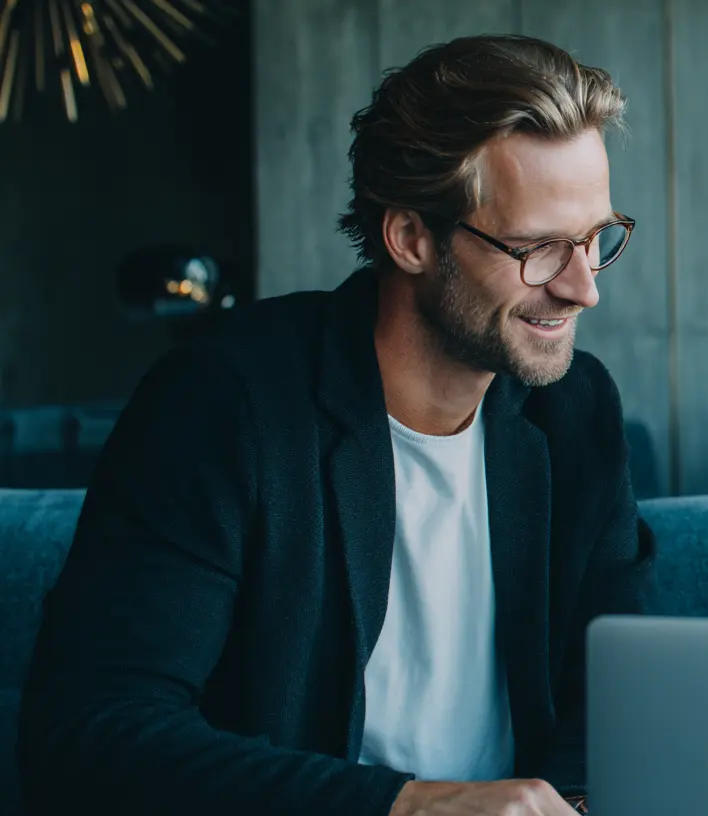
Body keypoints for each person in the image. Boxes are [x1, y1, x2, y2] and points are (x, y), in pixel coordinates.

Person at [19, 35, 654, 816]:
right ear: (410, 237)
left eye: (594, 239)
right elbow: (91, 735)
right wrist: (410, 806)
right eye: (539, 249)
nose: (584, 288)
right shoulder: (223, 406)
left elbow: (614, 691)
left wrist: (576, 800)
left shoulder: (575, 411)